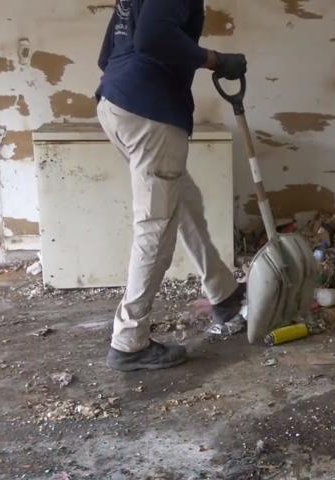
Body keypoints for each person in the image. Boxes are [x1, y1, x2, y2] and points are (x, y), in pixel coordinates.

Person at [96, 0, 248, 371]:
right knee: (156, 226)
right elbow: (152, 38)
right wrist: (215, 59)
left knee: (183, 200)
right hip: (151, 114)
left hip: (115, 103)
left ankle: (223, 292)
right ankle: (129, 341)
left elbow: (107, 55)